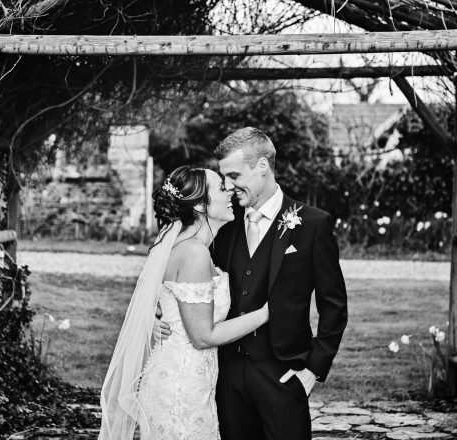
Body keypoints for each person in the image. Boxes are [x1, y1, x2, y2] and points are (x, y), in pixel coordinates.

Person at [99, 165, 269, 440]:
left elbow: (162, 300)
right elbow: (203, 336)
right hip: (181, 387)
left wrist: (154, 317)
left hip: (189, 381)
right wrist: (265, 314)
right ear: (202, 205)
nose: (230, 192)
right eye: (222, 188)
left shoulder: (181, 244)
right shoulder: (193, 253)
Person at [213, 127, 348, 440]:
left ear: (262, 166)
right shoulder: (224, 225)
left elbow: (334, 304)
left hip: (283, 373)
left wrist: (313, 371)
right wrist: (163, 316)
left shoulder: (313, 223)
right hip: (228, 372)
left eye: (234, 175)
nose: (228, 186)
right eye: (224, 178)